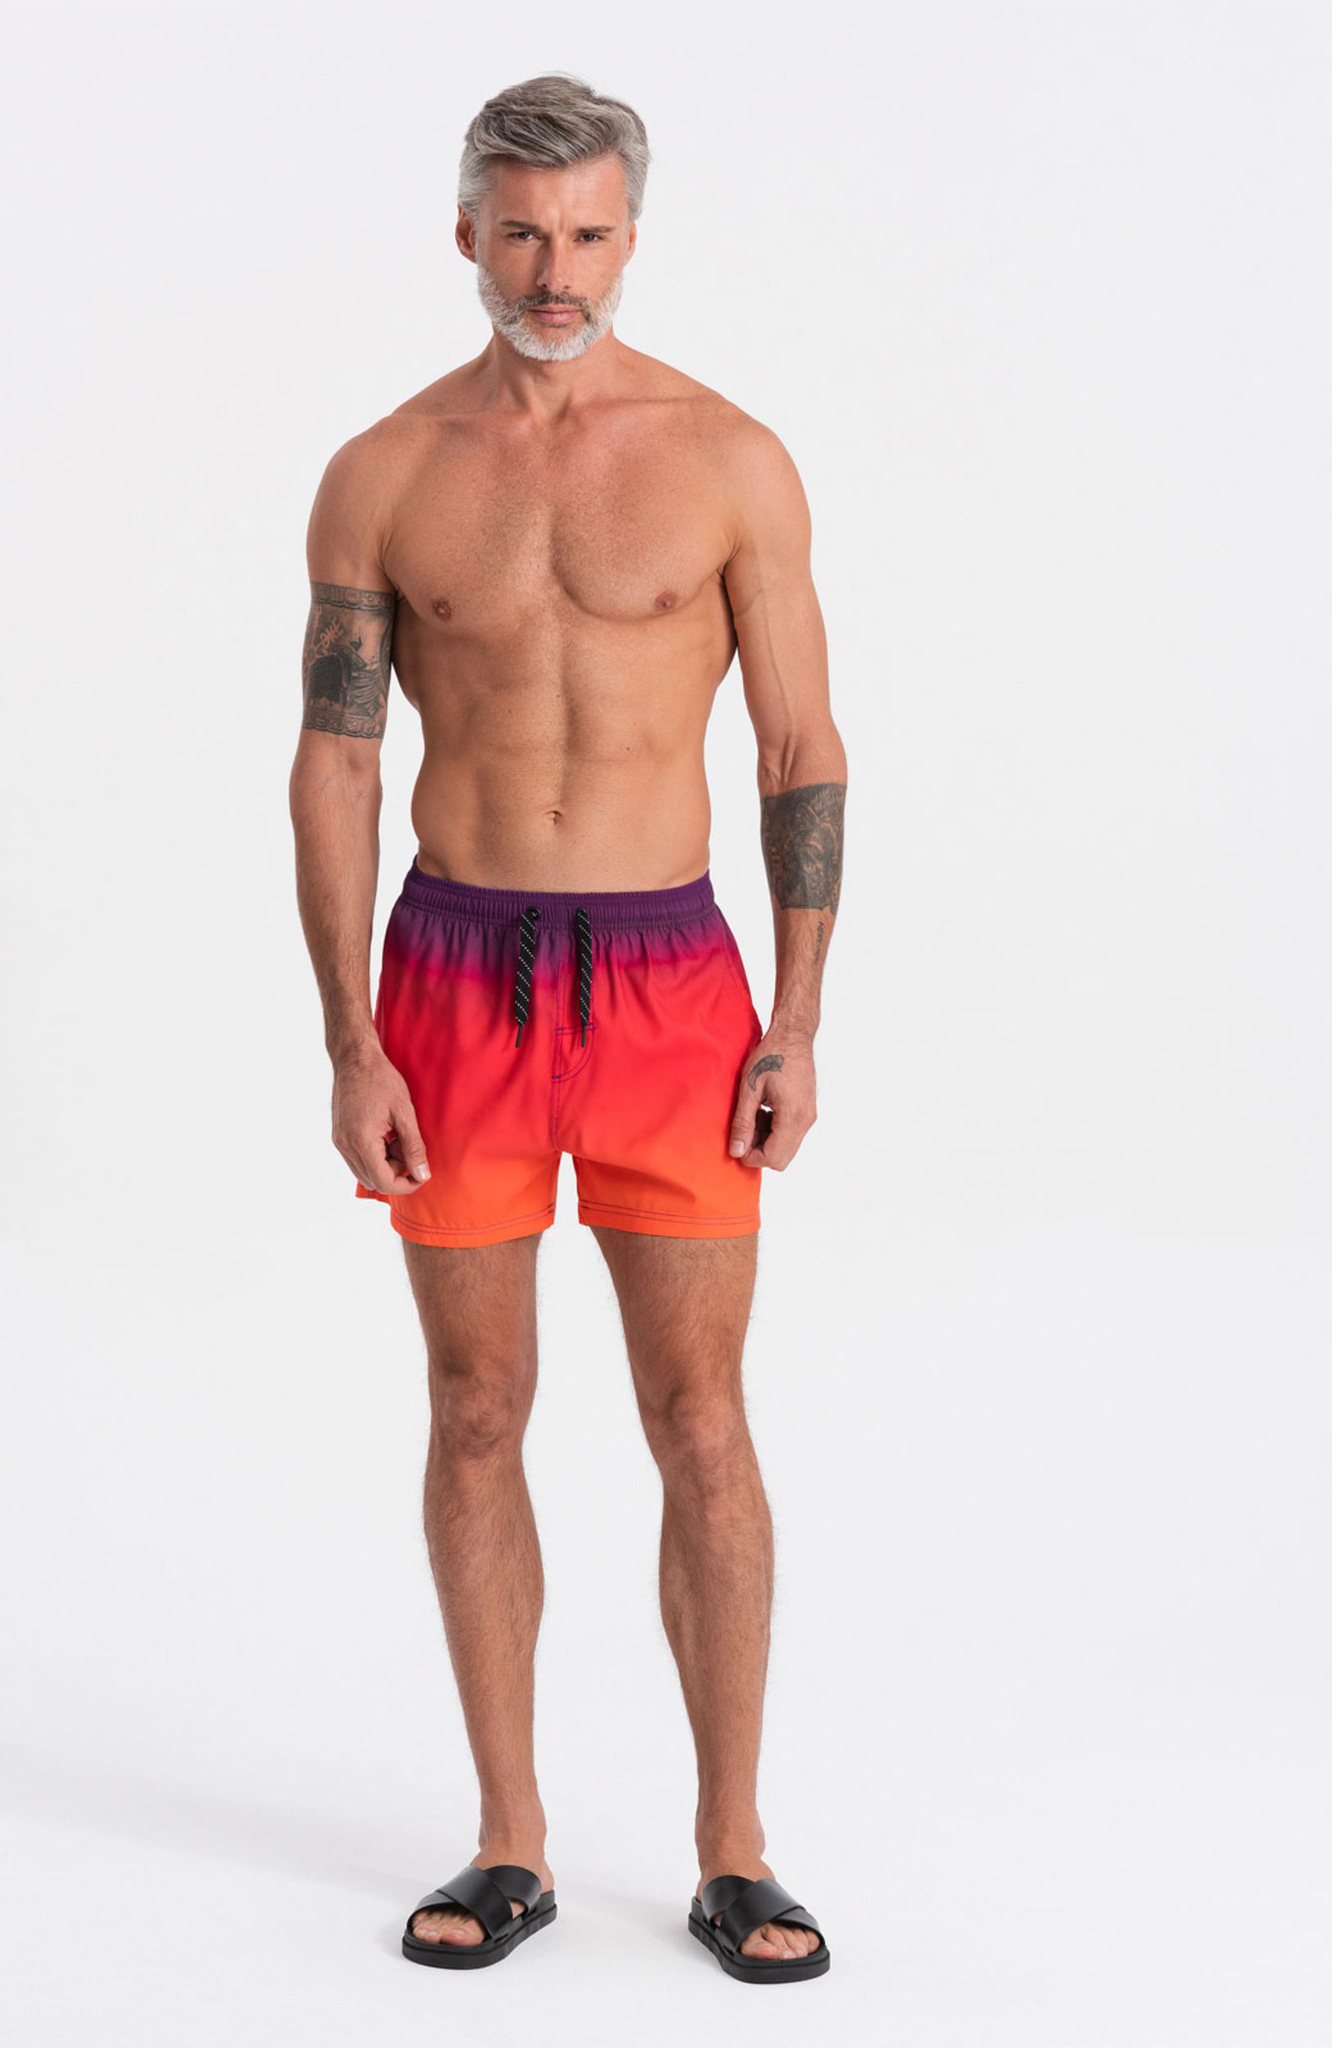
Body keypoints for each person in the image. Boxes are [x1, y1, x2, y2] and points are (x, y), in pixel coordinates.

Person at [289, 73, 845, 1984]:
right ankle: (510, 1838)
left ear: (631, 237)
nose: (555, 270)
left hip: (674, 986)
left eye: (590, 233)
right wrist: (351, 1037)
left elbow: (799, 748)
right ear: (466, 233)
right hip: (454, 981)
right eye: (522, 233)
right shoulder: (384, 471)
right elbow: (338, 765)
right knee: (474, 1409)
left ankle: (734, 1850)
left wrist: (797, 1016)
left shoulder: (729, 459)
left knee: (701, 1416)